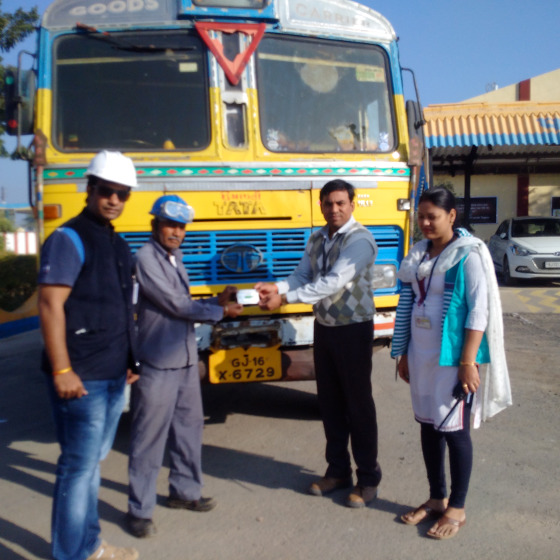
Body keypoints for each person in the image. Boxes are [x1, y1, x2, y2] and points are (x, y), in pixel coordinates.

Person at [391, 186, 512, 540]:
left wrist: (467, 361)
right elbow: (410, 303)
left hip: (452, 358)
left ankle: (457, 507)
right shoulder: (418, 254)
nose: (426, 223)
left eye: (433, 216)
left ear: (452, 216)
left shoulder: (467, 254)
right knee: (429, 426)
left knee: (454, 431)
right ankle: (436, 497)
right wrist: (403, 353)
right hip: (420, 354)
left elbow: (478, 310)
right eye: (421, 216)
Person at [38, 151, 140, 560]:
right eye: (106, 191)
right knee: (78, 468)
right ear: (90, 188)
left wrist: (130, 362)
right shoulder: (69, 239)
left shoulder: (117, 243)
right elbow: (50, 305)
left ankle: (89, 546)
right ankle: (73, 553)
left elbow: (121, 307)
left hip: (112, 373)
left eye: (122, 193)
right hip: (81, 377)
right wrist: (62, 369)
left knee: (90, 466)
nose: (114, 199)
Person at [255, 179, 381, 508]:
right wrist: (277, 287)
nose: (334, 209)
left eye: (341, 203)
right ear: (321, 206)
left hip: (353, 329)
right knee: (330, 403)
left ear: (352, 204)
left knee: (358, 405)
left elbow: (331, 282)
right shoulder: (317, 238)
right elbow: (302, 275)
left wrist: (284, 298)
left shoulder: (360, 240)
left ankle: (368, 478)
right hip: (325, 327)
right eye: (328, 203)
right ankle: (338, 471)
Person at [126, 195, 243, 538]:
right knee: (149, 438)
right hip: (158, 363)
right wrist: (220, 312)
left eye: (181, 226)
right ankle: (139, 509)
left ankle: (185, 491)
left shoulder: (174, 258)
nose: (176, 232)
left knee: (189, 430)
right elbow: (175, 305)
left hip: (186, 359)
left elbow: (184, 303)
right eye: (170, 225)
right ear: (155, 225)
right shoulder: (145, 258)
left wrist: (216, 301)